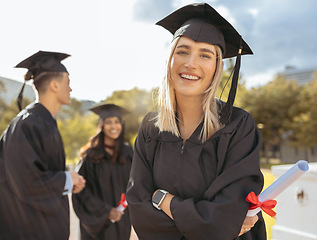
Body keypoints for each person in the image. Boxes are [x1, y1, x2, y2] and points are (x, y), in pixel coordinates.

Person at [126, 3, 267, 240]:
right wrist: (208, 222)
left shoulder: (238, 126)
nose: (191, 62)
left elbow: (224, 218)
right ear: (170, 60)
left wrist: (163, 200)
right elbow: (141, 214)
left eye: (205, 54)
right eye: (183, 51)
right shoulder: (150, 128)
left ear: (216, 67)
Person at [0, 51, 86, 240]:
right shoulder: (28, 124)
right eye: (68, 83)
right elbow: (26, 183)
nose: (70, 89)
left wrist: (68, 182)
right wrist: (67, 179)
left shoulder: (43, 122)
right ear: (55, 85)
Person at [72, 103, 133, 240]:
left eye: (117, 122)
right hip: (97, 223)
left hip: (121, 221)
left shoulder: (127, 153)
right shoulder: (90, 156)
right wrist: (106, 211)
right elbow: (80, 191)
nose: (113, 126)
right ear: (101, 125)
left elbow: (135, 183)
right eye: (109, 122)